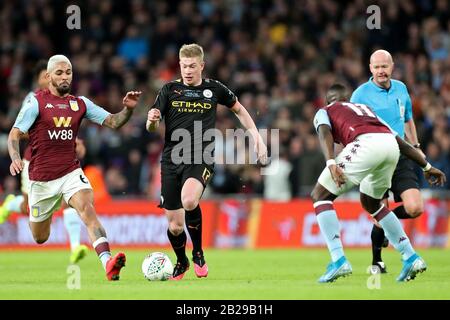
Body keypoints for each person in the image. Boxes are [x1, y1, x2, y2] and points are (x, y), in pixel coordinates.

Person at [8, 54, 142, 280]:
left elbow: (113, 122)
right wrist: (15, 157)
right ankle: (21, 207)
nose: (64, 77)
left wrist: (127, 110)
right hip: (41, 179)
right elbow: (14, 134)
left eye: (68, 72)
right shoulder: (36, 102)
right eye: (59, 73)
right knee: (40, 237)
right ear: (48, 76)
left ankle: (108, 263)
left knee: (87, 209)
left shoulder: (80, 104)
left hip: (71, 172)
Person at [146, 44, 267, 280]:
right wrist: (152, 120)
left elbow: (239, 110)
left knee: (189, 200)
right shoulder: (169, 89)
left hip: (201, 157)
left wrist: (257, 137)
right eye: (183, 66)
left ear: (201, 65)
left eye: (192, 66)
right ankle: (181, 261)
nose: (188, 71)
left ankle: (198, 253)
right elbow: (152, 126)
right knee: (175, 226)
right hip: (171, 160)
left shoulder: (214, 88)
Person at [310, 84, 446, 283]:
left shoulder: (325, 110)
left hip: (365, 144)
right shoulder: (367, 111)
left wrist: (331, 162)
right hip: (390, 149)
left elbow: (324, 131)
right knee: (371, 203)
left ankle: (338, 259)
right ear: (349, 99)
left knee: (320, 195)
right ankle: (410, 257)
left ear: (328, 100)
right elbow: (398, 140)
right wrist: (426, 166)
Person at [1, 60, 88, 264]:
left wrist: (74, 141)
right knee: (27, 208)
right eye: (42, 76)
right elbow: (20, 132)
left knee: (69, 202)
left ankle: (75, 247)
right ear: (43, 78)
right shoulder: (32, 100)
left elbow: (63, 127)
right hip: (33, 162)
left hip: (61, 163)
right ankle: (10, 205)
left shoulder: (65, 100)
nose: (45, 79)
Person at [350, 49, 425, 274]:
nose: (381, 71)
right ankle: (377, 262)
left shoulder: (401, 89)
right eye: (376, 67)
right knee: (379, 215)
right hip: (376, 161)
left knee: (415, 208)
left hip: (401, 157)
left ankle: (386, 224)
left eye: (385, 66)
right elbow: (350, 128)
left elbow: (408, 119)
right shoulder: (359, 95)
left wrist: (417, 147)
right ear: (370, 69)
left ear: (392, 66)